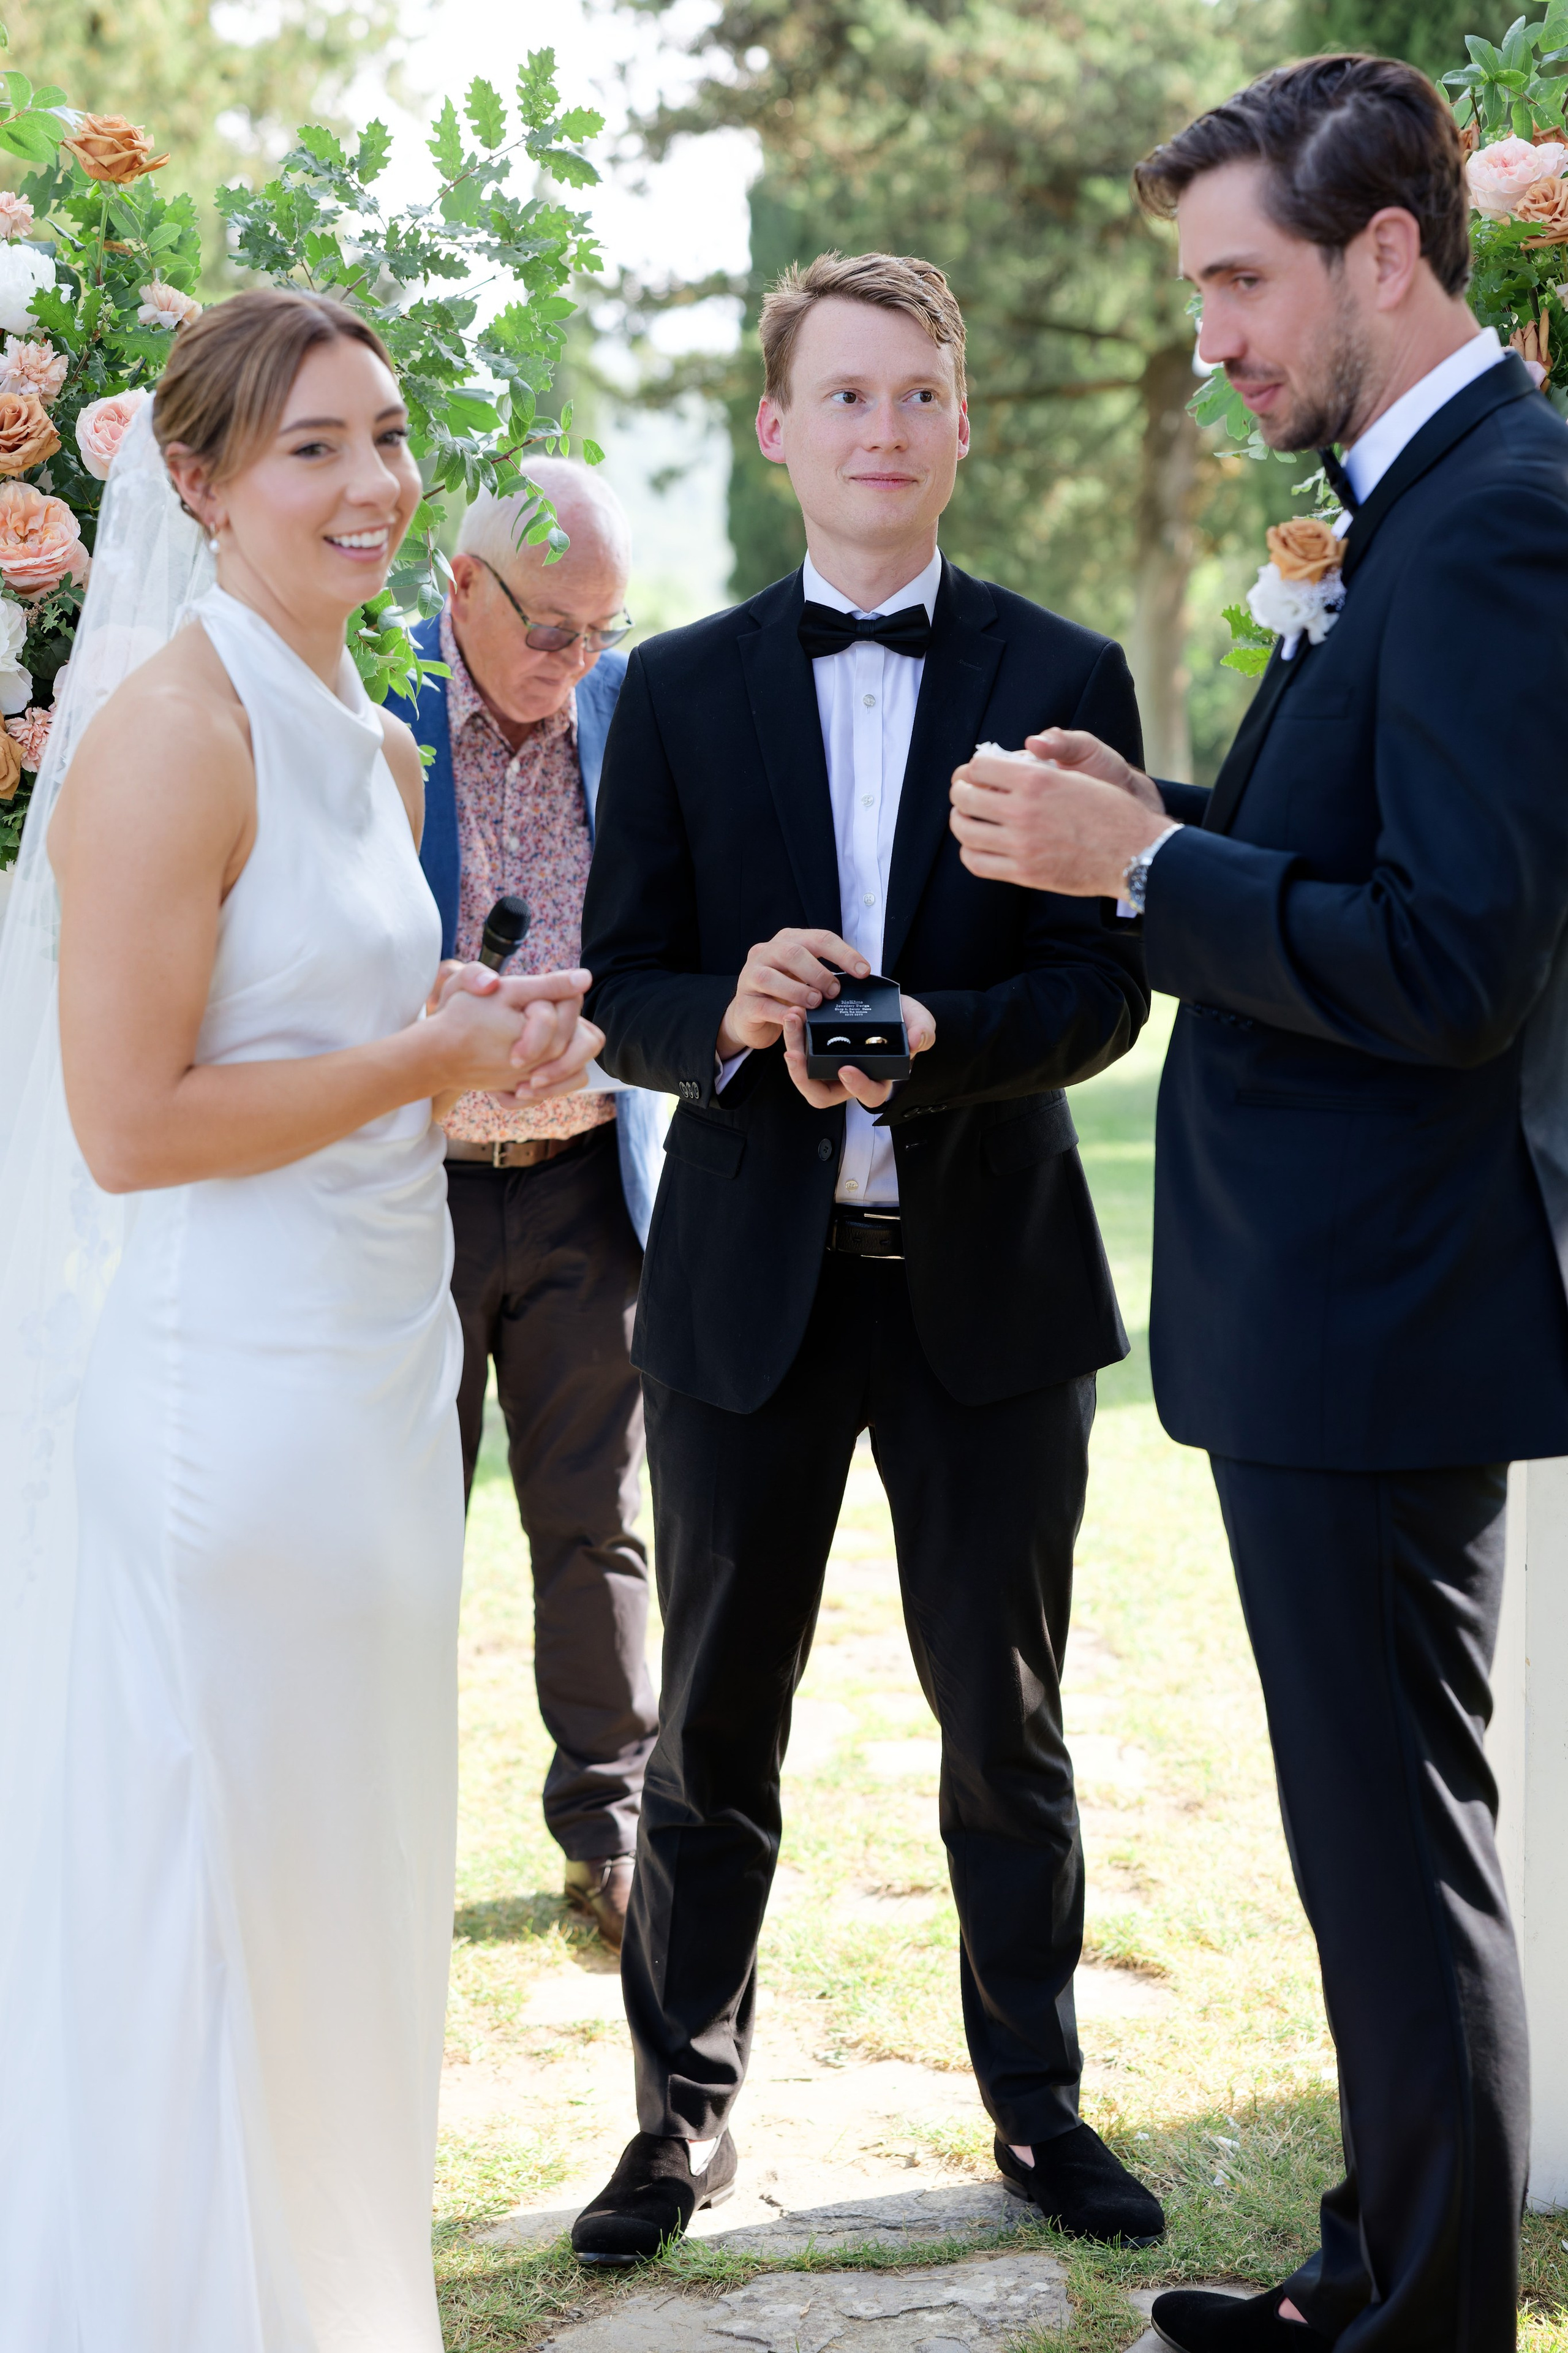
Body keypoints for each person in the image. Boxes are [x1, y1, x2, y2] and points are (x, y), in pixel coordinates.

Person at [949, 56, 1568, 2353]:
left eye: (1240, 278)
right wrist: (1173, 817)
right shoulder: (1410, 506)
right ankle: (1377, 2260)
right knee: (1365, 1839)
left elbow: (1454, 959)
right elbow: (1377, 855)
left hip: (1381, 1302)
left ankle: (1423, 2326)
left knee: (1402, 1850)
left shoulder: (1499, 509)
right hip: (1337, 1298)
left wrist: (1155, 875)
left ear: (1385, 252)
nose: (1208, 333)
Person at [0, 287, 602, 2351]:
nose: (370, 484)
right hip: (226, 1403)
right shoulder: (175, 730)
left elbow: (347, 1038)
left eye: (386, 435)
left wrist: (480, 1044)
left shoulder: (370, 728)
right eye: (310, 449)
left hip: (368, 1380)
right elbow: (133, 1122)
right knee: (226, 1884)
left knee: (347, 1880)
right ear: (196, 481)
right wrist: (425, 1061)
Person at [571, 249, 1164, 2263]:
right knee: (714, 1728)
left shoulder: (1065, 673)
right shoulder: (672, 686)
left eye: (919, 394)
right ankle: (678, 2124)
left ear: (964, 420)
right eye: (847, 396)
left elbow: (1105, 990)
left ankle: (1041, 2112)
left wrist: (940, 1040)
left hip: (987, 1284)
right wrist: (731, 1012)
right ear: (780, 428)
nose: (885, 431)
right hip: (747, 1294)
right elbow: (621, 986)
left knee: (1007, 1725)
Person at [386, 461, 665, 1949]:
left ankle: (607, 1833)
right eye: (548, 627)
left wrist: (611, 1024)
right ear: (458, 588)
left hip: (579, 1180)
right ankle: (372, 1824)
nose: (572, 662)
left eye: (599, 632)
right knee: (389, 1524)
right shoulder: (376, 709)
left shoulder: (627, 714)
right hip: (403, 1193)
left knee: (594, 1525)